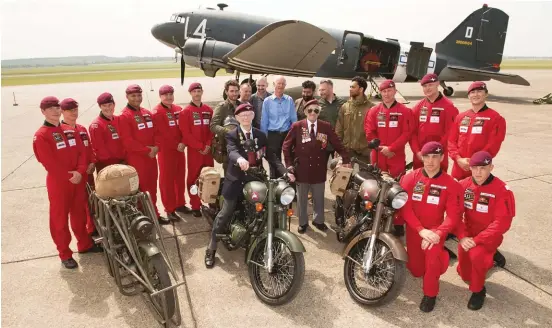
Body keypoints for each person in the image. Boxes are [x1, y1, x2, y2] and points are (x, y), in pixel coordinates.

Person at [204, 103, 289, 268]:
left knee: (268, 207)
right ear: (237, 118)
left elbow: (271, 156)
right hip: (235, 179)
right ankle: (211, 247)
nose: (246, 117)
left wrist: (284, 171)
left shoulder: (260, 135)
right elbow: (232, 150)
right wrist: (240, 159)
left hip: (254, 179)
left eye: (249, 114)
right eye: (242, 115)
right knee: (226, 211)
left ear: (252, 116)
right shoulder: (232, 134)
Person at [33, 96, 101, 269]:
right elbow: (48, 162)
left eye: (57, 107)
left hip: (77, 180)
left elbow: (81, 152)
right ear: (43, 112)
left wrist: (79, 171)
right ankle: (64, 253)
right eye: (50, 108)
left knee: (78, 214)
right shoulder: (41, 135)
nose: (55, 110)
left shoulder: (69, 130)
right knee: (59, 219)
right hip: (59, 183)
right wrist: (69, 176)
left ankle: (84, 245)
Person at [399, 141, 463, 312]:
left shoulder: (450, 184)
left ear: (442, 158)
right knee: (416, 271)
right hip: (415, 230)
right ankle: (444, 258)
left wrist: (438, 232)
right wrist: (420, 230)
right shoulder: (410, 177)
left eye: (435, 156)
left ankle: (430, 294)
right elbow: (405, 208)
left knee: (432, 263)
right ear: (422, 157)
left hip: (435, 231)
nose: (431, 160)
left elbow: (453, 216)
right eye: (427, 156)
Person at [455, 151, 515, 310]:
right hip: (468, 235)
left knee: (477, 256)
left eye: (483, 168)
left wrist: (477, 240)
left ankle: (479, 290)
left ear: (491, 167)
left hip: (489, 237)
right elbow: (455, 214)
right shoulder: (464, 185)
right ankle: (491, 256)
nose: (478, 172)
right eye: (475, 168)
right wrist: (462, 236)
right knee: (464, 274)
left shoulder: (502, 190)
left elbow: (502, 223)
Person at [282, 99, 351, 233]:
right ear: (305, 112)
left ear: (319, 112)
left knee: (318, 197)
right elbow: (286, 146)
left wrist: (346, 158)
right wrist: (289, 165)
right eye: (310, 110)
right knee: (302, 198)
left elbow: (337, 142)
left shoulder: (325, 126)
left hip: (319, 168)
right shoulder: (297, 126)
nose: (313, 113)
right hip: (302, 168)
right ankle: (302, 223)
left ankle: (318, 220)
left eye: (316, 110)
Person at [118, 84, 169, 225]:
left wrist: (156, 147)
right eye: (133, 96)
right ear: (127, 97)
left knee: (152, 187)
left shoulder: (147, 113)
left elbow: (157, 133)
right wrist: (147, 150)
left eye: (139, 95)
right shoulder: (124, 116)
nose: (137, 98)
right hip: (137, 159)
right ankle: (141, 217)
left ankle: (154, 214)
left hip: (151, 157)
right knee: (139, 189)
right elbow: (128, 141)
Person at [448, 81, 507, 181]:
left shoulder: (496, 118)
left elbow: (493, 145)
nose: (476, 95)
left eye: (479, 91)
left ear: (486, 94)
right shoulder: (461, 117)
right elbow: (451, 141)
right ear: (468, 96)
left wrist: (475, 162)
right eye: (472, 92)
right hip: (459, 167)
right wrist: (458, 159)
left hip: (479, 168)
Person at [152, 85, 191, 221]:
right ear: (160, 96)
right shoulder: (157, 112)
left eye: (170, 94)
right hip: (166, 151)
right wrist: (177, 145)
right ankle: (170, 209)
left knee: (180, 178)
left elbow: (184, 128)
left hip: (180, 149)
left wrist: (184, 142)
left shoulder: (178, 109)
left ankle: (180, 203)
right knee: (167, 181)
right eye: (165, 95)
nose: (168, 97)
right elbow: (161, 135)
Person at [60, 98, 98, 236]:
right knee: (79, 207)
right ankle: (87, 232)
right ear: (62, 112)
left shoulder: (81, 129)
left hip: (88, 172)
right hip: (76, 175)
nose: (74, 113)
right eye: (70, 110)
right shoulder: (60, 131)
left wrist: (93, 162)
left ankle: (93, 226)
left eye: (75, 109)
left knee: (92, 201)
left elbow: (90, 148)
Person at [409, 73, 459, 172]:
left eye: (430, 85)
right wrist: (417, 151)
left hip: (438, 155)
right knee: (419, 185)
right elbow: (412, 132)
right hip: (420, 156)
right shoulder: (418, 107)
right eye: (425, 86)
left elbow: (451, 133)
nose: (427, 88)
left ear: (437, 84)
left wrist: (435, 152)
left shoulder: (448, 107)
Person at [179, 82, 215, 217]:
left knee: (210, 176)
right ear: (190, 93)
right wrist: (199, 147)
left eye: (199, 91)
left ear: (202, 92)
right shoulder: (186, 112)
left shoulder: (208, 110)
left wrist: (207, 145)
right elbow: (185, 134)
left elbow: (212, 130)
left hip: (207, 150)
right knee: (194, 178)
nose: (197, 94)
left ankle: (211, 201)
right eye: (194, 91)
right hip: (195, 152)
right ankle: (195, 204)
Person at [260, 75, 298, 178]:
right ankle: (275, 183)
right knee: (274, 160)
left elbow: (293, 119)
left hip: (287, 133)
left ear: (285, 85)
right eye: (278, 83)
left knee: (289, 159)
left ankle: (290, 182)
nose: (280, 86)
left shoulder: (289, 100)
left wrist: (295, 135)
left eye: (283, 84)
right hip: (273, 134)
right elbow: (264, 121)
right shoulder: (267, 101)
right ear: (274, 85)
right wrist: (264, 138)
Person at [335, 76, 375, 164]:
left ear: (361, 89)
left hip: (365, 153)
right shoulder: (345, 107)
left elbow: (375, 131)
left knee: (366, 177)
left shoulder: (371, 107)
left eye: (353, 87)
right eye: (350, 87)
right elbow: (339, 129)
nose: (350, 89)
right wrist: (338, 148)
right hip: (348, 152)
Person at [89, 92, 126, 173]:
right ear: (100, 107)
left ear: (114, 104)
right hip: (107, 166)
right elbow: (100, 151)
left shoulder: (118, 119)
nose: (108, 108)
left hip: (122, 162)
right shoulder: (96, 125)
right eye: (104, 106)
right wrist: (116, 165)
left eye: (110, 105)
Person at [210, 79, 241, 172]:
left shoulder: (241, 106)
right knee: (230, 174)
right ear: (226, 92)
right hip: (227, 147)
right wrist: (229, 132)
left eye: (236, 91)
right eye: (231, 91)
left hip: (240, 146)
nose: (234, 93)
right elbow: (213, 126)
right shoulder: (221, 107)